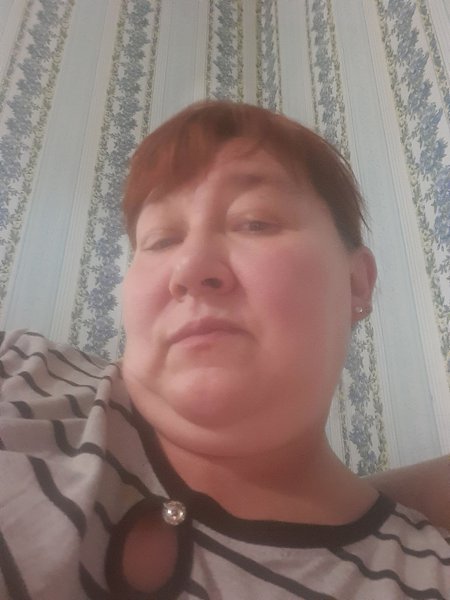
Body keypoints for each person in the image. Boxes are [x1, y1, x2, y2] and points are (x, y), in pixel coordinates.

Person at [0, 100, 448, 599]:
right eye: (160, 239)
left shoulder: (427, 578)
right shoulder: (17, 373)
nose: (190, 268)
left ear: (356, 282)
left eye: (254, 222)